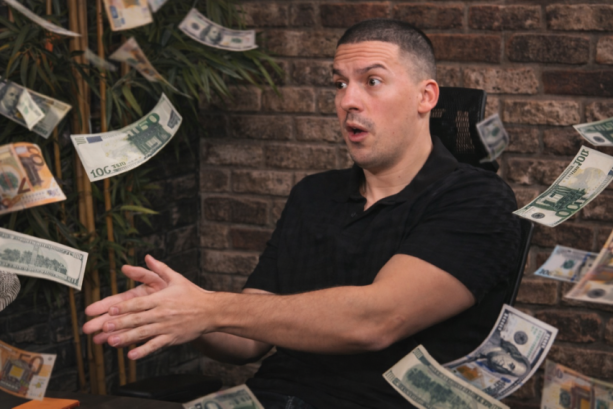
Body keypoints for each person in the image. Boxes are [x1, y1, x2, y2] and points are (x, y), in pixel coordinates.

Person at [83, 19, 521, 408]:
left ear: (425, 97)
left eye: (372, 81)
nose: (348, 100)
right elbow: (246, 340)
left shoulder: (477, 199)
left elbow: (376, 321)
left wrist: (208, 308)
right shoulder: (314, 195)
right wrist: (173, 311)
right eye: (339, 84)